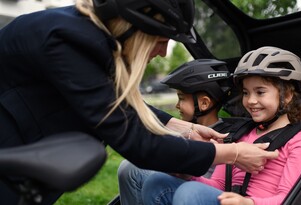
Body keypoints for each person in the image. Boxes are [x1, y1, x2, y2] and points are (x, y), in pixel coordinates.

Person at [0, 0, 279, 204]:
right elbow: (137, 143)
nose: (162, 52)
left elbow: (112, 104)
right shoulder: (69, 42)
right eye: (161, 40)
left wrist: (183, 127)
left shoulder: (85, 35)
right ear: (135, 27)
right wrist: (234, 154)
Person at [141, 46, 301, 205]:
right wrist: (187, 175)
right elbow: (218, 184)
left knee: (190, 193)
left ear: (287, 95)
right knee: (156, 183)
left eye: (260, 92)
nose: (251, 100)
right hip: (229, 200)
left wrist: (249, 203)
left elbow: (290, 197)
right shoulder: (241, 134)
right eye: (246, 93)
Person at [117, 59, 234, 205]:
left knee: (135, 171)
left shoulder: (222, 137)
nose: (177, 105)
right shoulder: (187, 132)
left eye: (181, 99)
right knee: (129, 168)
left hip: (196, 192)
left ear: (204, 103)